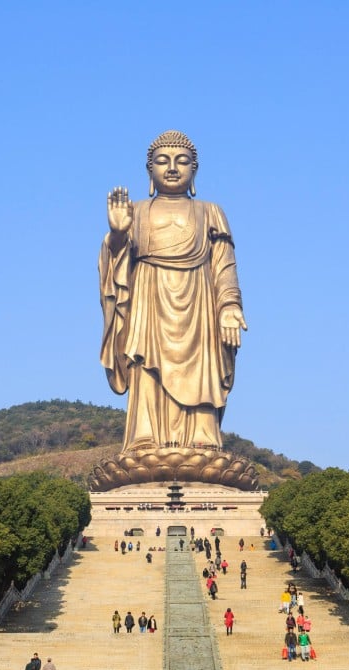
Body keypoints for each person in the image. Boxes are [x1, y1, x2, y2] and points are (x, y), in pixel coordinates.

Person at [98, 130, 249, 477]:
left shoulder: (210, 212)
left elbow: (224, 265)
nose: (171, 169)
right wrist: (119, 234)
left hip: (199, 304)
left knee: (201, 369)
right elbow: (114, 267)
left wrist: (229, 306)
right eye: (161, 161)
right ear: (149, 170)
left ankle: (203, 438)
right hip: (149, 300)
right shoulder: (135, 212)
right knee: (146, 367)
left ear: (194, 170)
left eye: (181, 161)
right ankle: (144, 439)